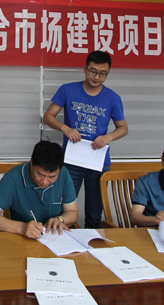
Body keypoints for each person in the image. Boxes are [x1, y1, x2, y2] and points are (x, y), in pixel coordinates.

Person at [43, 50, 128, 228]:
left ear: (108, 73)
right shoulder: (68, 90)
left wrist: (108, 137)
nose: (97, 77)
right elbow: (48, 116)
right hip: (72, 160)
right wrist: (65, 128)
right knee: (63, 208)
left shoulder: (113, 98)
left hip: (98, 161)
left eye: (102, 73)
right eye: (93, 71)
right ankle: (60, 239)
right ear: (85, 69)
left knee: (94, 212)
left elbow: (123, 128)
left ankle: (91, 243)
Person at [0, 140, 78, 239]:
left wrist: (60, 219)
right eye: (40, 174)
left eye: (52, 177)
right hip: (21, 240)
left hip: (54, 240)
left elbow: (72, 212)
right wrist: (22, 228)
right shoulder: (12, 178)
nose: (45, 182)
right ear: (31, 161)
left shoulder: (63, 174)